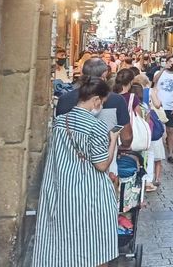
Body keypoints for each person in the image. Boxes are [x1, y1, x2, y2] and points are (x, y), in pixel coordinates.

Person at [32, 78, 121, 267]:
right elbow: (102, 165)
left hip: (61, 189)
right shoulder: (96, 127)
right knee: (95, 248)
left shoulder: (60, 121)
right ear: (96, 100)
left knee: (62, 246)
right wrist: (113, 140)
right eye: (102, 103)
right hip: (88, 193)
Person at [154, 55, 173, 162]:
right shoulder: (159, 73)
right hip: (158, 106)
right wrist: (163, 69)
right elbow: (154, 81)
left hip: (170, 106)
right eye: (169, 61)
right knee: (157, 129)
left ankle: (170, 153)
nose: (172, 63)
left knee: (170, 130)